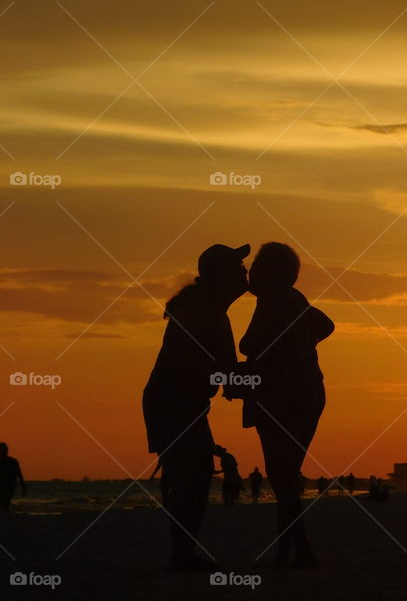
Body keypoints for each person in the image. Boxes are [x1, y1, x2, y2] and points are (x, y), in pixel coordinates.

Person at [142, 243, 249, 572]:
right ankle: (181, 556)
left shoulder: (207, 308)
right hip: (175, 402)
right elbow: (224, 376)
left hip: (177, 401)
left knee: (190, 477)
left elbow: (224, 375)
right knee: (192, 478)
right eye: (238, 267)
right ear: (222, 276)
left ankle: (182, 554)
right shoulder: (205, 311)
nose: (245, 272)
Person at [228, 242, 335, 568]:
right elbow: (325, 325)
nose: (252, 274)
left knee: (283, 478)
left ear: (272, 273)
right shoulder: (293, 300)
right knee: (285, 477)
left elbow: (249, 343)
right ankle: (294, 551)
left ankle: (299, 552)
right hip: (306, 395)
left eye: (257, 268)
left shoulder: (275, 299)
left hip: (283, 398)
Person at [0, 442, 25, 512]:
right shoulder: (12, 461)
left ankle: (4, 514)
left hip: (3, 486)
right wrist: (23, 486)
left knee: (3, 503)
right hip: (9, 486)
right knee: (6, 503)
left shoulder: (0, 462)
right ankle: (5, 514)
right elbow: (19, 475)